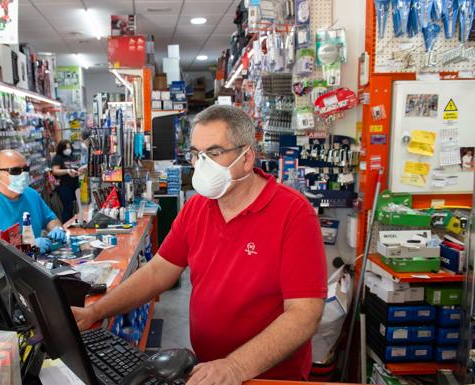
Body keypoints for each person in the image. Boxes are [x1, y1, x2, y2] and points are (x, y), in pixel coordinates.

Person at [72, 105, 327, 383]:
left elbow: (304, 314)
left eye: (214, 153)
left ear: (247, 157)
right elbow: (158, 272)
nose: (201, 163)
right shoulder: (197, 208)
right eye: (196, 154)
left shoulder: (293, 214)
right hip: (208, 371)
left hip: (269, 376)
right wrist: (95, 311)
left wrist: (235, 367)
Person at [0, 150, 66, 253]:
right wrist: (28, 247)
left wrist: (57, 229)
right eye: (15, 171)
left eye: (25, 169)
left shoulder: (31, 194)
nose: (23, 175)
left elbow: (50, 219)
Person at [52, 140, 84, 223]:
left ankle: (74, 223)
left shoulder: (72, 157)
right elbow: (55, 170)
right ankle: (65, 225)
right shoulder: (58, 158)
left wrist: (78, 172)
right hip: (64, 186)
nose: (68, 149)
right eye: (66, 147)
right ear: (61, 148)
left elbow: (76, 167)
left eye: (69, 147)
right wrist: (67, 171)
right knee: (67, 207)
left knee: (75, 207)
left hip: (74, 184)